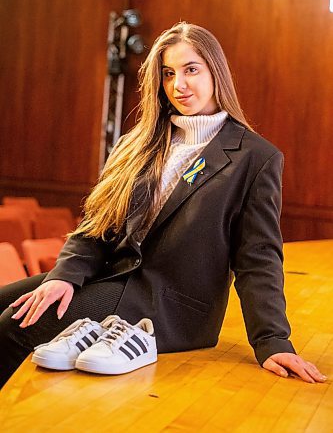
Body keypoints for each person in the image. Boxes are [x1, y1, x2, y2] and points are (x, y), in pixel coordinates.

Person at [0, 22, 326, 387]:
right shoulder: (136, 144)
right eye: (168, 74)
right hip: (113, 279)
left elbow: (258, 257)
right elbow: (95, 227)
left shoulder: (255, 157)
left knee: (15, 325)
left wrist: (272, 341)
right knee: (4, 303)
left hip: (171, 306)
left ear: (216, 71)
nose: (179, 85)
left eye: (191, 70)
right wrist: (63, 276)